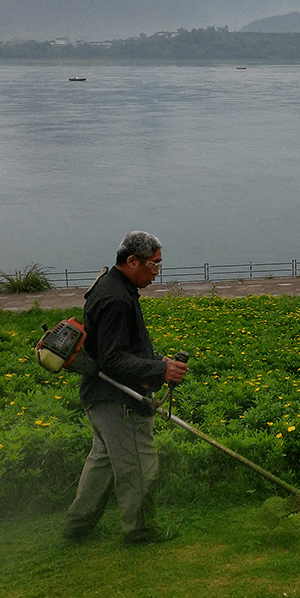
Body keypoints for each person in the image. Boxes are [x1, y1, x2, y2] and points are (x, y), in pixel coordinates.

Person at [63, 231, 187, 544]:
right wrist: (161, 368)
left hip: (98, 396)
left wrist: (156, 360)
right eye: (153, 265)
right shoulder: (117, 298)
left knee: (102, 463)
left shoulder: (111, 286)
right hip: (118, 401)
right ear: (132, 261)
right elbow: (112, 359)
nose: (156, 273)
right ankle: (140, 530)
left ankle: (77, 526)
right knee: (139, 467)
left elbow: (116, 348)